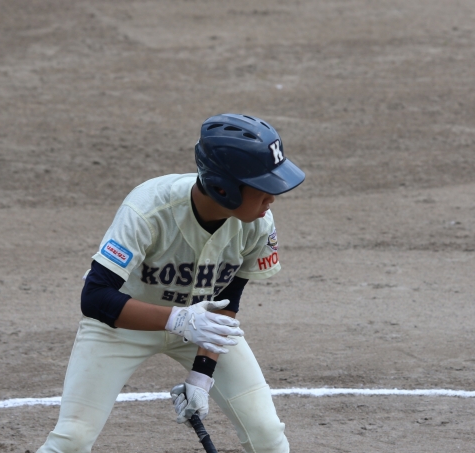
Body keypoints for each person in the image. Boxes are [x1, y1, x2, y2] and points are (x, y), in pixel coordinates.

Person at [36, 113, 305, 453]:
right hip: (122, 323)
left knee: (267, 434)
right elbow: (94, 298)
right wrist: (179, 319)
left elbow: (227, 299)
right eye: (263, 187)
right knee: (72, 439)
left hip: (203, 328)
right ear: (223, 188)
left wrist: (202, 374)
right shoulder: (148, 208)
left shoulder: (257, 223)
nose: (273, 198)